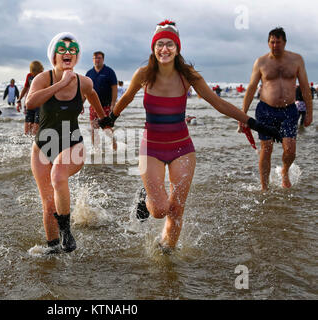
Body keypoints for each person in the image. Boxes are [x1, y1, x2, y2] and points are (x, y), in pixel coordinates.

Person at [104, 20, 281, 253]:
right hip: (152, 148)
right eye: (159, 45)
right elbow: (126, 98)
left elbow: (217, 102)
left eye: (169, 44)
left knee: (176, 208)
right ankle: (146, 195)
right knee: (159, 209)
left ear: (177, 48)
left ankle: (166, 251)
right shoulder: (144, 74)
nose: (164, 49)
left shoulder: (187, 75)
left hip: (182, 148)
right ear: (153, 48)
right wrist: (111, 118)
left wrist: (253, 123)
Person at [25, 32, 111, 254]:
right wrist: (61, 83)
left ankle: (66, 231)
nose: (68, 54)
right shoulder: (43, 79)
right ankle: (53, 250)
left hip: (72, 143)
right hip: (42, 147)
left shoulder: (84, 81)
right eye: (62, 50)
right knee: (48, 203)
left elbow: (92, 95)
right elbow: (30, 102)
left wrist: (104, 120)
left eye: (72, 51)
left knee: (58, 176)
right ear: (53, 55)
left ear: (77, 56)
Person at [238, 27, 313, 190]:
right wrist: (242, 115)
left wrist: (309, 113)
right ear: (268, 43)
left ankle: (284, 172)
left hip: (289, 110)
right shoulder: (261, 62)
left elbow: (306, 88)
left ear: (284, 43)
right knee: (266, 148)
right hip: (265, 109)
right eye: (272, 42)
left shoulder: (296, 60)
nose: (275, 45)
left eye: (278, 42)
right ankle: (264, 186)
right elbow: (251, 88)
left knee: (290, 150)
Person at [86, 51, 118, 149]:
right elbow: (84, 90)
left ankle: (114, 145)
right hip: (93, 106)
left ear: (103, 59)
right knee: (93, 129)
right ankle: (95, 150)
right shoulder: (89, 73)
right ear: (93, 60)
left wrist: (113, 103)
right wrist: (80, 104)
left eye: (99, 58)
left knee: (107, 128)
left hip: (106, 105)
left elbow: (114, 88)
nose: (97, 60)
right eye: (95, 58)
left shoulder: (109, 72)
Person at [17, 61, 44, 135]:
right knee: (27, 127)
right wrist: (19, 100)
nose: (34, 74)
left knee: (36, 126)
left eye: (37, 71)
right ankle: (26, 145)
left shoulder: (44, 76)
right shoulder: (29, 76)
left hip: (40, 105)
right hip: (30, 103)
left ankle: (35, 142)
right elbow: (25, 88)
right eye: (33, 71)